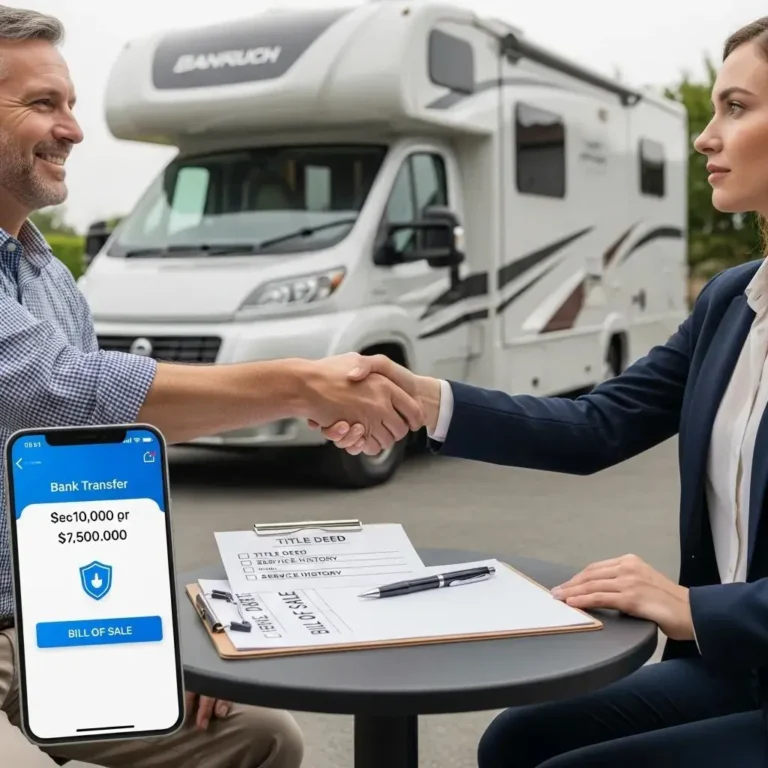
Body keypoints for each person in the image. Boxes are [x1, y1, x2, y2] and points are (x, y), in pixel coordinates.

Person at [317, 15, 768, 768]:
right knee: (516, 739)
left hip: (732, 646)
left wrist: (695, 607)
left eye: (737, 107)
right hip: (736, 671)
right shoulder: (731, 301)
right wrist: (427, 401)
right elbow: (598, 424)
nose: (704, 137)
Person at [0, 6, 424, 767]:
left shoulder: (51, 278)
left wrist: (152, 627)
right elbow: (54, 393)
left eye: (70, 103)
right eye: (42, 104)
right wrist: (300, 385)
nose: (73, 129)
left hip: (43, 631)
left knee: (260, 738)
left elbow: (94, 474)